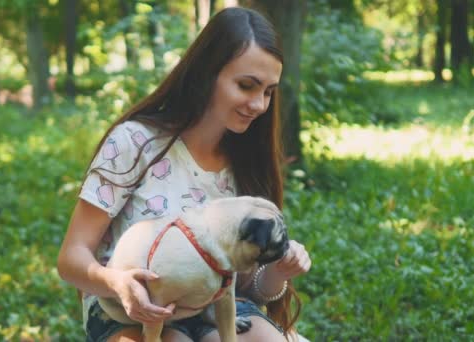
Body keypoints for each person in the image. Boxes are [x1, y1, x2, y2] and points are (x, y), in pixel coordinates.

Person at [57, 7, 311, 342]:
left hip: (216, 306)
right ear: (207, 73)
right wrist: (118, 283)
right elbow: (71, 258)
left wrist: (278, 271)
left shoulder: (247, 161)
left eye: (268, 91)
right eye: (246, 85)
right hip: (132, 308)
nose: (259, 104)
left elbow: (247, 288)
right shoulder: (135, 142)